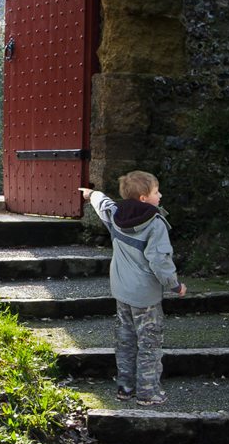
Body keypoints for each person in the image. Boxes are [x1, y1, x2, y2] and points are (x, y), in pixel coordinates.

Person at [79, 172, 186, 406]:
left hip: (122, 292)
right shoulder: (155, 224)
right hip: (145, 296)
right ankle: (148, 393)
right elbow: (160, 261)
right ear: (143, 198)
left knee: (125, 340)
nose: (160, 195)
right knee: (149, 343)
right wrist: (175, 285)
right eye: (156, 192)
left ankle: (125, 387)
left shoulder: (115, 214)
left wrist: (91, 194)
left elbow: (102, 203)